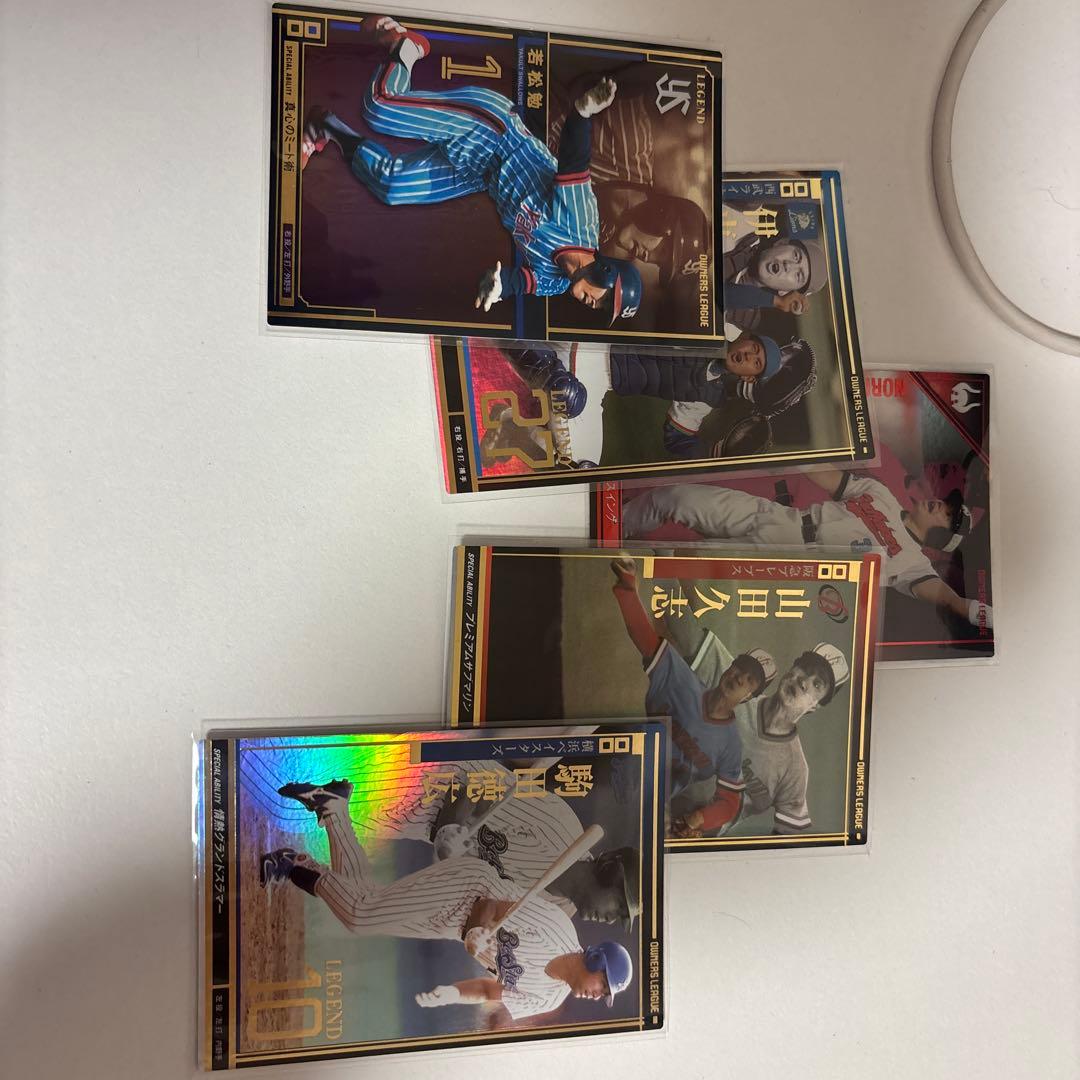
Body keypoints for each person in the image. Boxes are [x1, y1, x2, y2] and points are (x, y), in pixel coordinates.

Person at [301, 14, 642, 321]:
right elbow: (573, 164)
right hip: (492, 132)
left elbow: (518, 281)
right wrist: (581, 115)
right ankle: (406, 47)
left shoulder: (555, 283)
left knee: (392, 186)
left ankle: (325, 127)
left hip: (479, 173)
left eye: (602, 308)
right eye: (604, 299)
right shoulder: (581, 224)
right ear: (607, 274)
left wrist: (498, 285)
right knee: (380, 108)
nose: (595, 305)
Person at [259, 778, 633, 1025]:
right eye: (603, 984)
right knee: (361, 916)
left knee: (364, 900)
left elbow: (488, 990)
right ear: (595, 959)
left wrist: (451, 994)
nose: (597, 995)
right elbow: (490, 904)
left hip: (456, 926)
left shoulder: (549, 998)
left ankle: (333, 809)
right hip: (469, 889)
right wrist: (478, 930)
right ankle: (295, 863)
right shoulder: (557, 928)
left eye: (604, 994)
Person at [619, 469, 992, 631]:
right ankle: (609, 523)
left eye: (947, 515)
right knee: (675, 497)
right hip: (778, 516)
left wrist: (985, 615)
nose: (940, 505)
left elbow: (949, 599)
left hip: (784, 558)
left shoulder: (913, 564)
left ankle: (603, 569)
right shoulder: (882, 494)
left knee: (673, 561)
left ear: (941, 539)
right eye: (947, 503)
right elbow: (824, 472)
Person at [479, 333, 816, 468]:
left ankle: (513, 428)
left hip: (597, 382)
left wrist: (713, 454)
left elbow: (677, 437)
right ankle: (501, 331)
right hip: (595, 342)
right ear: (745, 338)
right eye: (752, 347)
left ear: (750, 378)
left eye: (755, 362)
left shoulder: (709, 396)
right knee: (568, 394)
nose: (747, 356)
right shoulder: (713, 325)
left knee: (582, 467)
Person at [607, 556, 776, 805]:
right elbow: (645, 640)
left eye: (750, 681)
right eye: (739, 668)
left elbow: (729, 801)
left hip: (642, 807)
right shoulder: (683, 681)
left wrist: (698, 819)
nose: (740, 678)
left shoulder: (730, 746)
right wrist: (629, 592)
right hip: (610, 766)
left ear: (749, 696)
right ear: (729, 667)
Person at [671, 644, 850, 837]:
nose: (804, 681)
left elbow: (786, 841)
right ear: (792, 669)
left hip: (688, 839)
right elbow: (676, 640)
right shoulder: (736, 686)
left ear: (816, 706)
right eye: (805, 668)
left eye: (817, 684)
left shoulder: (795, 770)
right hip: (658, 787)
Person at [721, 202, 829, 331]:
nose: (788, 265)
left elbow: (716, 294)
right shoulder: (740, 222)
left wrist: (776, 301)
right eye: (795, 256)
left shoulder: (742, 321)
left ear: (785, 292)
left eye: (798, 275)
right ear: (780, 243)